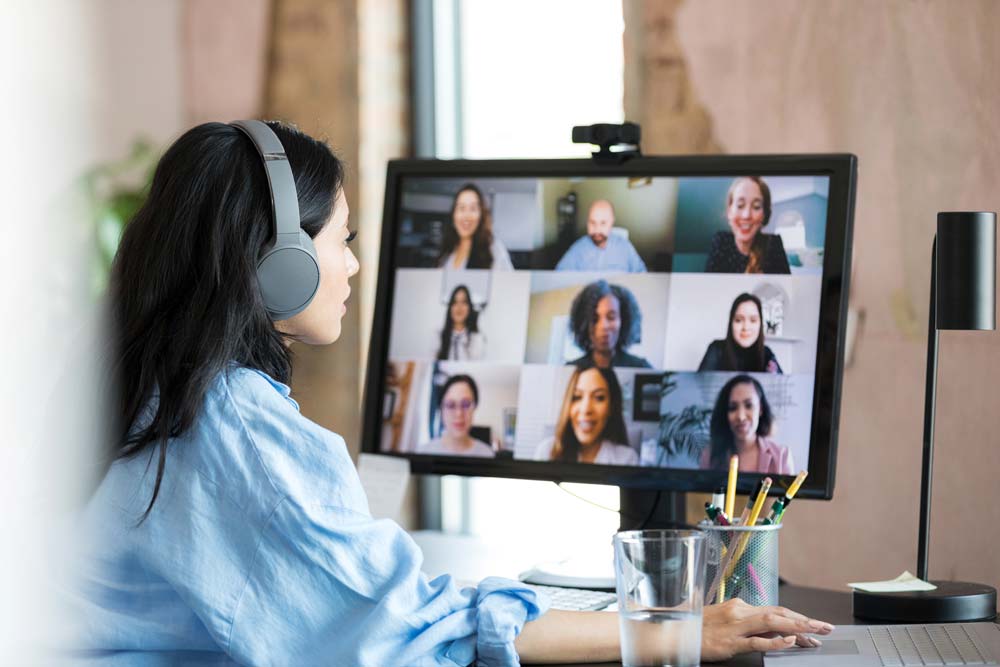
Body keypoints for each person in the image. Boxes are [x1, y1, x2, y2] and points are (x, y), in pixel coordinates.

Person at [66, 120, 830, 665]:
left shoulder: (142, 393)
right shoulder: (235, 426)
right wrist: (682, 629)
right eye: (344, 241)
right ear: (280, 264)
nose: (355, 269)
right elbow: (412, 631)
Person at [534, 366, 639, 465]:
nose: (586, 409)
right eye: (577, 397)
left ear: (611, 407)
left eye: (599, 397)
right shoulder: (546, 451)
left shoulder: (627, 459)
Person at [702, 375, 795, 475]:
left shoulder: (782, 456)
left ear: (760, 409)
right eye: (732, 408)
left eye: (749, 405)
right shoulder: (710, 456)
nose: (741, 417)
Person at [705, 176, 791, 274]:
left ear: (764, 215)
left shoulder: (774, 245)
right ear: (729, 212)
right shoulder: (721, 242)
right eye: (740, 205)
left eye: (756, 207)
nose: (746, 215)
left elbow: (784, 288)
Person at [567, 279, 652, 368]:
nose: (604, 326)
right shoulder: (571, 369)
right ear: (583, 324)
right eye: (594, 319)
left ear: (623, 321)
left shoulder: (640, 367)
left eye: (611, 317)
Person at [698, 293, 783, 373]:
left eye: (753, 320)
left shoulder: (766, 354)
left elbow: (781, 386)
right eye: (738, 320)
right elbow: (699, 386)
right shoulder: (716, 349)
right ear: (731, 323)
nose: (746, 327)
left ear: (760, 324)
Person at [554, 199, 647, 272]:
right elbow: (560, 274)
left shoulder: (625, 247)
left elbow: (641, 274)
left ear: (611, 223)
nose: (597, 229)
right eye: (592, 222)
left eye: (603, 223)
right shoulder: (578, 248)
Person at [437, 182, 514, 270]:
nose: (466, 215)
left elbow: (508, 283)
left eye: (473, 208)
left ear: (481, 215)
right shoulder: (448, 249)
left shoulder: (493, 249)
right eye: (461, 208)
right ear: (454, 214)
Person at [418, 374, 494, 458]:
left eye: (466, 404)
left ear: (474, 407)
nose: (459, 413)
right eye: (450, 405)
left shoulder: (487, 454)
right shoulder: (423, 452)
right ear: (441, 409)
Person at [436, 284, 486, 361]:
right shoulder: (438, 335)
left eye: (464, 302)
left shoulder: (477, 338)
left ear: (469, 307)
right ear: (450, 308)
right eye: (455, 302)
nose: (459, 307)